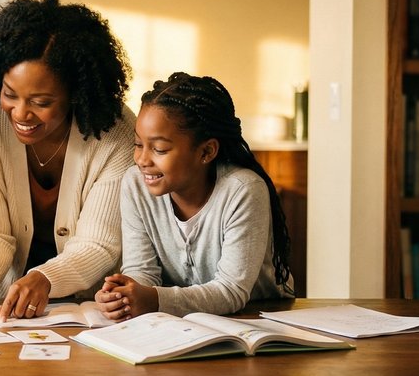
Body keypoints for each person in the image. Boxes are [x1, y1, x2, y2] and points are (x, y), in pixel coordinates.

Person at [0, 0, 136, 321]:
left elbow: (99, 242)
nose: (21, 113)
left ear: (75, 94)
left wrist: (45, 277)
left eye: (41, 101)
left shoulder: (115, 130)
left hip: (94, 310)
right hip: (9, 309)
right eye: (9, 94)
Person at [94, 72, 295, 320]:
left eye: (159, 149)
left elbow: (231, 291)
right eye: (138, 144)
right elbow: (141, 270)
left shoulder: (243, 190)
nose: (142, 160)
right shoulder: (135, 184)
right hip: (181, 324)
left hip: (257, 319)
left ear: (206, 151)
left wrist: (154, 299)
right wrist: (125, 294)